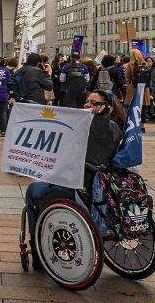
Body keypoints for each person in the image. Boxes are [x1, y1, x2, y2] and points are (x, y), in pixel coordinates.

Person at [23, 91, 123, 252]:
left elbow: (97, 133)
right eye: (87, 101)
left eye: (93, 103)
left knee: (33, 191)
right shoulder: (112, 128)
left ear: (107, 108)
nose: (87, 105)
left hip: (82, 185)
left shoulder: (95, 127)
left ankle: (36, 245)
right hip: (96, 183)